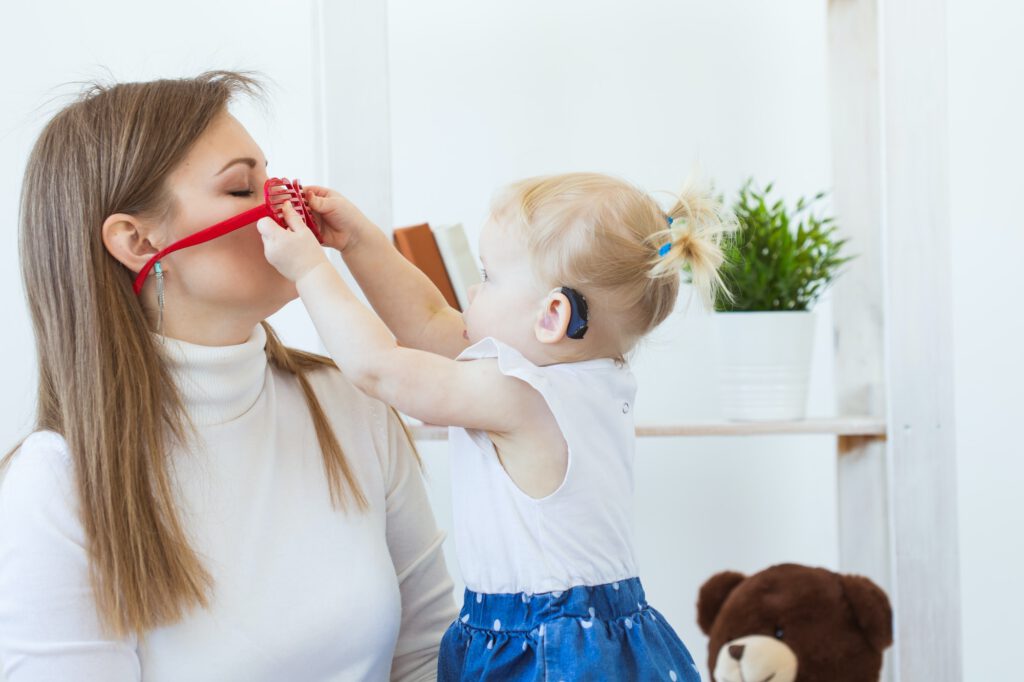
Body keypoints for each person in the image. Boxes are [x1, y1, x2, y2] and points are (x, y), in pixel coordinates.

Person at [0, 71, 456, 682]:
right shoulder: (55, 487)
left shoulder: (351, 404)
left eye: (272, 177)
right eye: (244, 188)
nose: (288, 208)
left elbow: (428, 656)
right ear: (136, 240)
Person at [258, 171, 736, 680]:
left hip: (545, 648)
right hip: (583, 632)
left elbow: (378, 367)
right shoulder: (585, 380)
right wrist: (358, 242)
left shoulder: (523, 397)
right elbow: (425, 321)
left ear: (553, 316)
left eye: (487, 277)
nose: (468, 290)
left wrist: (310, 268)